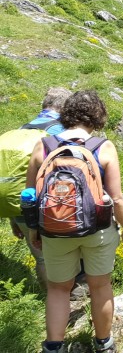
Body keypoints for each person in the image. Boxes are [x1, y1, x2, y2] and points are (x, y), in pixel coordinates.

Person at [26, 90, 123, 353]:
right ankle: (104, 343)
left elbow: (30, 195)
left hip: (53, 230)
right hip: (97, 230)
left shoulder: (45, 145)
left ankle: (54, 347)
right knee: (100, 286)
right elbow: (118, 200)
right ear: (98, 116)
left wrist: (33, 231)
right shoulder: (102, 147)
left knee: (58, 289)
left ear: (66, 114)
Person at [3, 87, 70, 288]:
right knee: (60, 257)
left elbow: (13, 174)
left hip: (19, 204)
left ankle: (47, 299)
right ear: (65, 109)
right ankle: (61, 300)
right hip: (47, 204)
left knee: (41, 258)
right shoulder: (58, 132)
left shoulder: (23, 130)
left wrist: (13, 219)